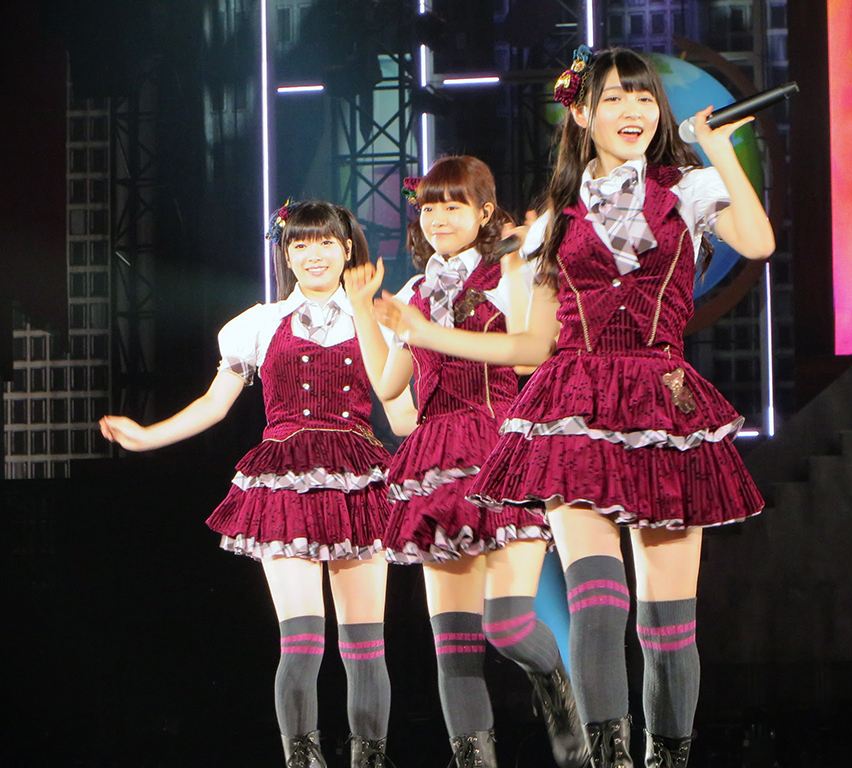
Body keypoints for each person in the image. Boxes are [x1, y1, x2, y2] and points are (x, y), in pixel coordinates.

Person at [371, 47, 774, 768]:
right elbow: (535, 344)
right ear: (583, 115)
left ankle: (666, 759)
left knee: (667, 625)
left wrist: (715, 148)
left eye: (644, 99)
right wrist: (423, 335)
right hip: (574, 406)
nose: (633, 111)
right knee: (597, 600)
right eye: (614, 99)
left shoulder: (688, 189)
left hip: (663, 404)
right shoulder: (554, 220)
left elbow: (759, 241)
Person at [99, 201, 414, 768]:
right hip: (284, 482)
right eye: (300, 244)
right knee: (302, 642)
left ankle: (369, 760)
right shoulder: (259, 324)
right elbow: (213, 404)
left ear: (347, 250)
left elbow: (400, 412)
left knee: (366, 646)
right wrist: (147, 437)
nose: (313, 254)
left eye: (326, 242)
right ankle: (302, 760)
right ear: (286, 255)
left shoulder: (378, 320)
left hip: (360, 479)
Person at [344, 155, 588, 768]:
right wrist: (366, 310)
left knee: (507, 625)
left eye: (453, 206)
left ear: (484, 212)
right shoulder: (416, 293)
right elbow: (390, 385)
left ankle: (555, 684)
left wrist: (517, 260)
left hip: (500, 453)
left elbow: (531, 355)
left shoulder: (510, 271)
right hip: (435, 461)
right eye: (429, 207)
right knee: (452, 646)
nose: (438, 218)